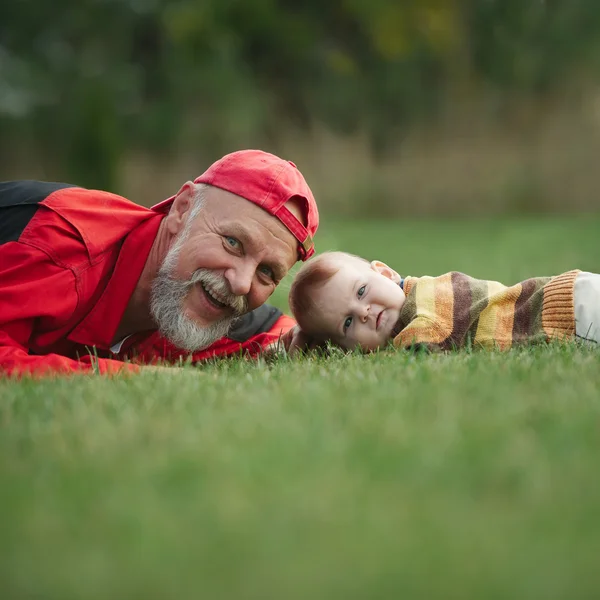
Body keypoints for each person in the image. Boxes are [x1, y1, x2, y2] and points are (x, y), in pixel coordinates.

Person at [0, 149, 319, 377]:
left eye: (267, 272)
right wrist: (134, 376)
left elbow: (295, 333)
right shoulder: (57, 242)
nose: (240, 282)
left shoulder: (208, 300)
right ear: (182, 210)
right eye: (233, 243)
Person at [288, 251, 600, 353]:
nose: (364, 313)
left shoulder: (427, 296)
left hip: (569, 310)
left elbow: (429, 340)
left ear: (385, 272)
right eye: (347, 323)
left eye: (360, 292)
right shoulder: (401, 322)